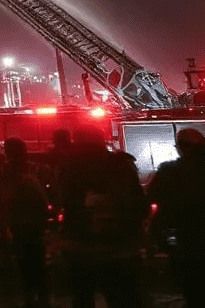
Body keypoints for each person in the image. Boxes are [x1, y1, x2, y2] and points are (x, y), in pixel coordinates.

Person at [56, 125, 146, 308]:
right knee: (121, 297)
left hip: (80, 245)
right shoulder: (122, 164)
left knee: (82, 297)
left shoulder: (67, 167)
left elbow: (61, 201)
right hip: (118, 246)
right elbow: (138, 205)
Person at [146, 128, 205, 308]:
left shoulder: (168, 172)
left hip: (185, 241)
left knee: (194, 291)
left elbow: (153, 198)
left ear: (181, 148)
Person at [0, 137, 51, 307]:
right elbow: (50, 190)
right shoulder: (38, 169)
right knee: (39, 259)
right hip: (36, 222)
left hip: (14, 222)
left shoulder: (1, 172)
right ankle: (43, 294)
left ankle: (28, 294)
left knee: (21, 259)